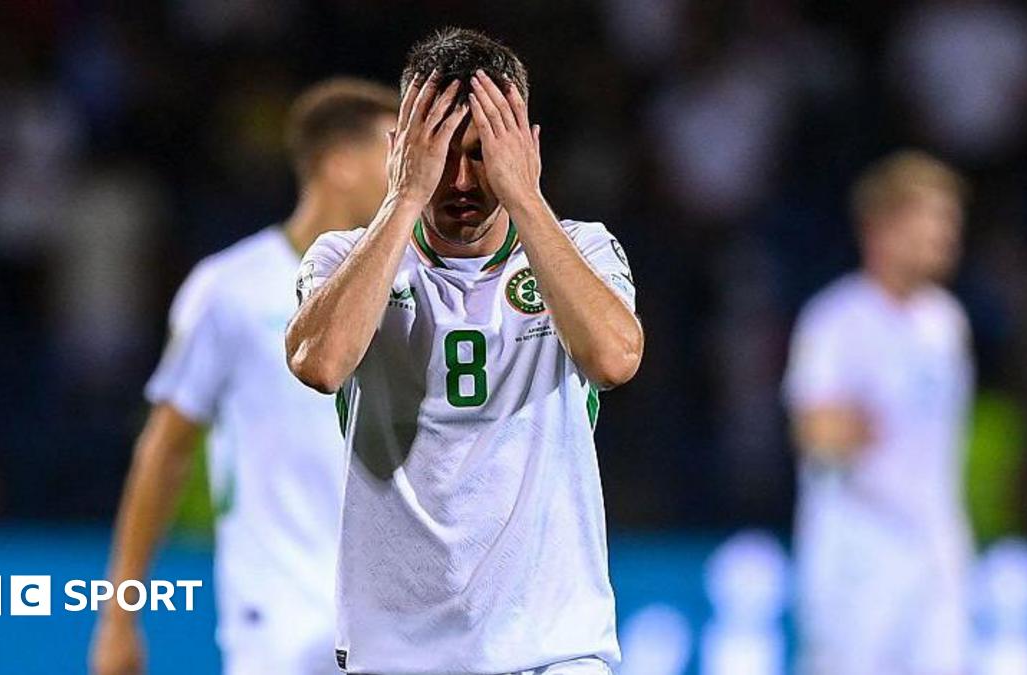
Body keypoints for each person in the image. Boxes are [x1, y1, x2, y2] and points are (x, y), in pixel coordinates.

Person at [286, 27, 644, 675]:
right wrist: (402, 200)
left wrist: (526, 198)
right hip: (397, 652)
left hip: (553, 650)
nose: (459, 179)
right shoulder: (343, 257)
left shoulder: (581, 250)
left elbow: (615, 358)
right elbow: (321, 362)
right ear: (402, 151)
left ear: (524, 148)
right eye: (442, 153)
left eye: (482, 154)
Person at [90, 78, 398, 675]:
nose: (416, 170)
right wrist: (119, 616)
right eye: (395, 151)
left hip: (394, 614)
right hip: (276, 612)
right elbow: (165, 449)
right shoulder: (229, 289)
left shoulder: (414, 287)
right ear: (338, 164)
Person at [782, 151, 974, 675]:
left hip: (936, 551)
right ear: (882, 227)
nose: (946, 233)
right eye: (933, 217)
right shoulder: (836, 320)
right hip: (859, 557)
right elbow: (814, 430)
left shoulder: (947, 323)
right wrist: (851, 426)